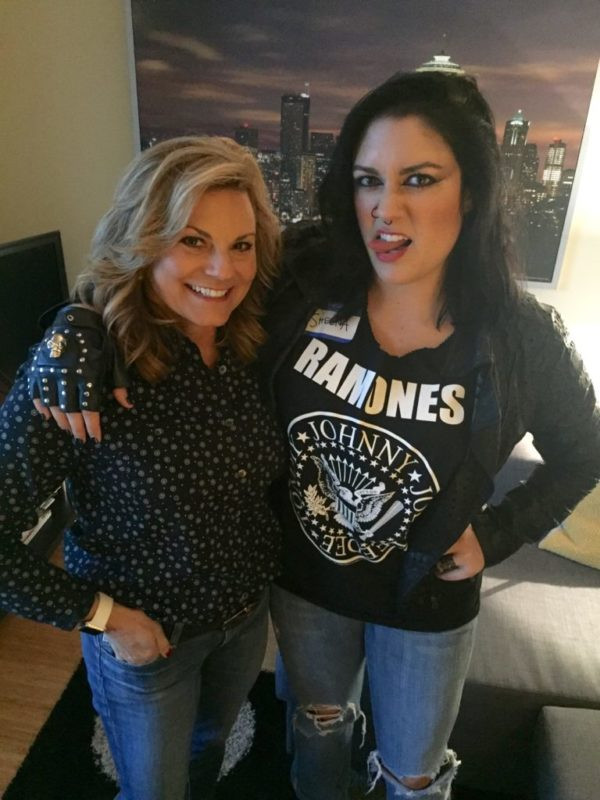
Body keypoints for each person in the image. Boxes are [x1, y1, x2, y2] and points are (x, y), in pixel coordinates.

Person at [26, 72, 600, 800]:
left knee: (414, 777)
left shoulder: (521, 336)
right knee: (319, 733)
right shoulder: (303, 274)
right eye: (368, 181)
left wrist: (500, 531)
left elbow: (585, 450)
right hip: (308, 587)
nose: (386, 211)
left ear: (474, 191)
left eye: (419, 179)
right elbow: (168, 277)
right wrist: (71, 327)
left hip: (426, 603)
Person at [0, 136, 286, 800]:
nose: (223, 268)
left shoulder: (252, 344)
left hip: (244, 620)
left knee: (211, 746)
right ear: (143, 237)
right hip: (144, 642)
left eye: (241, 245)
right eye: (193, 240)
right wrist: (104, 616)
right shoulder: (84, 372)